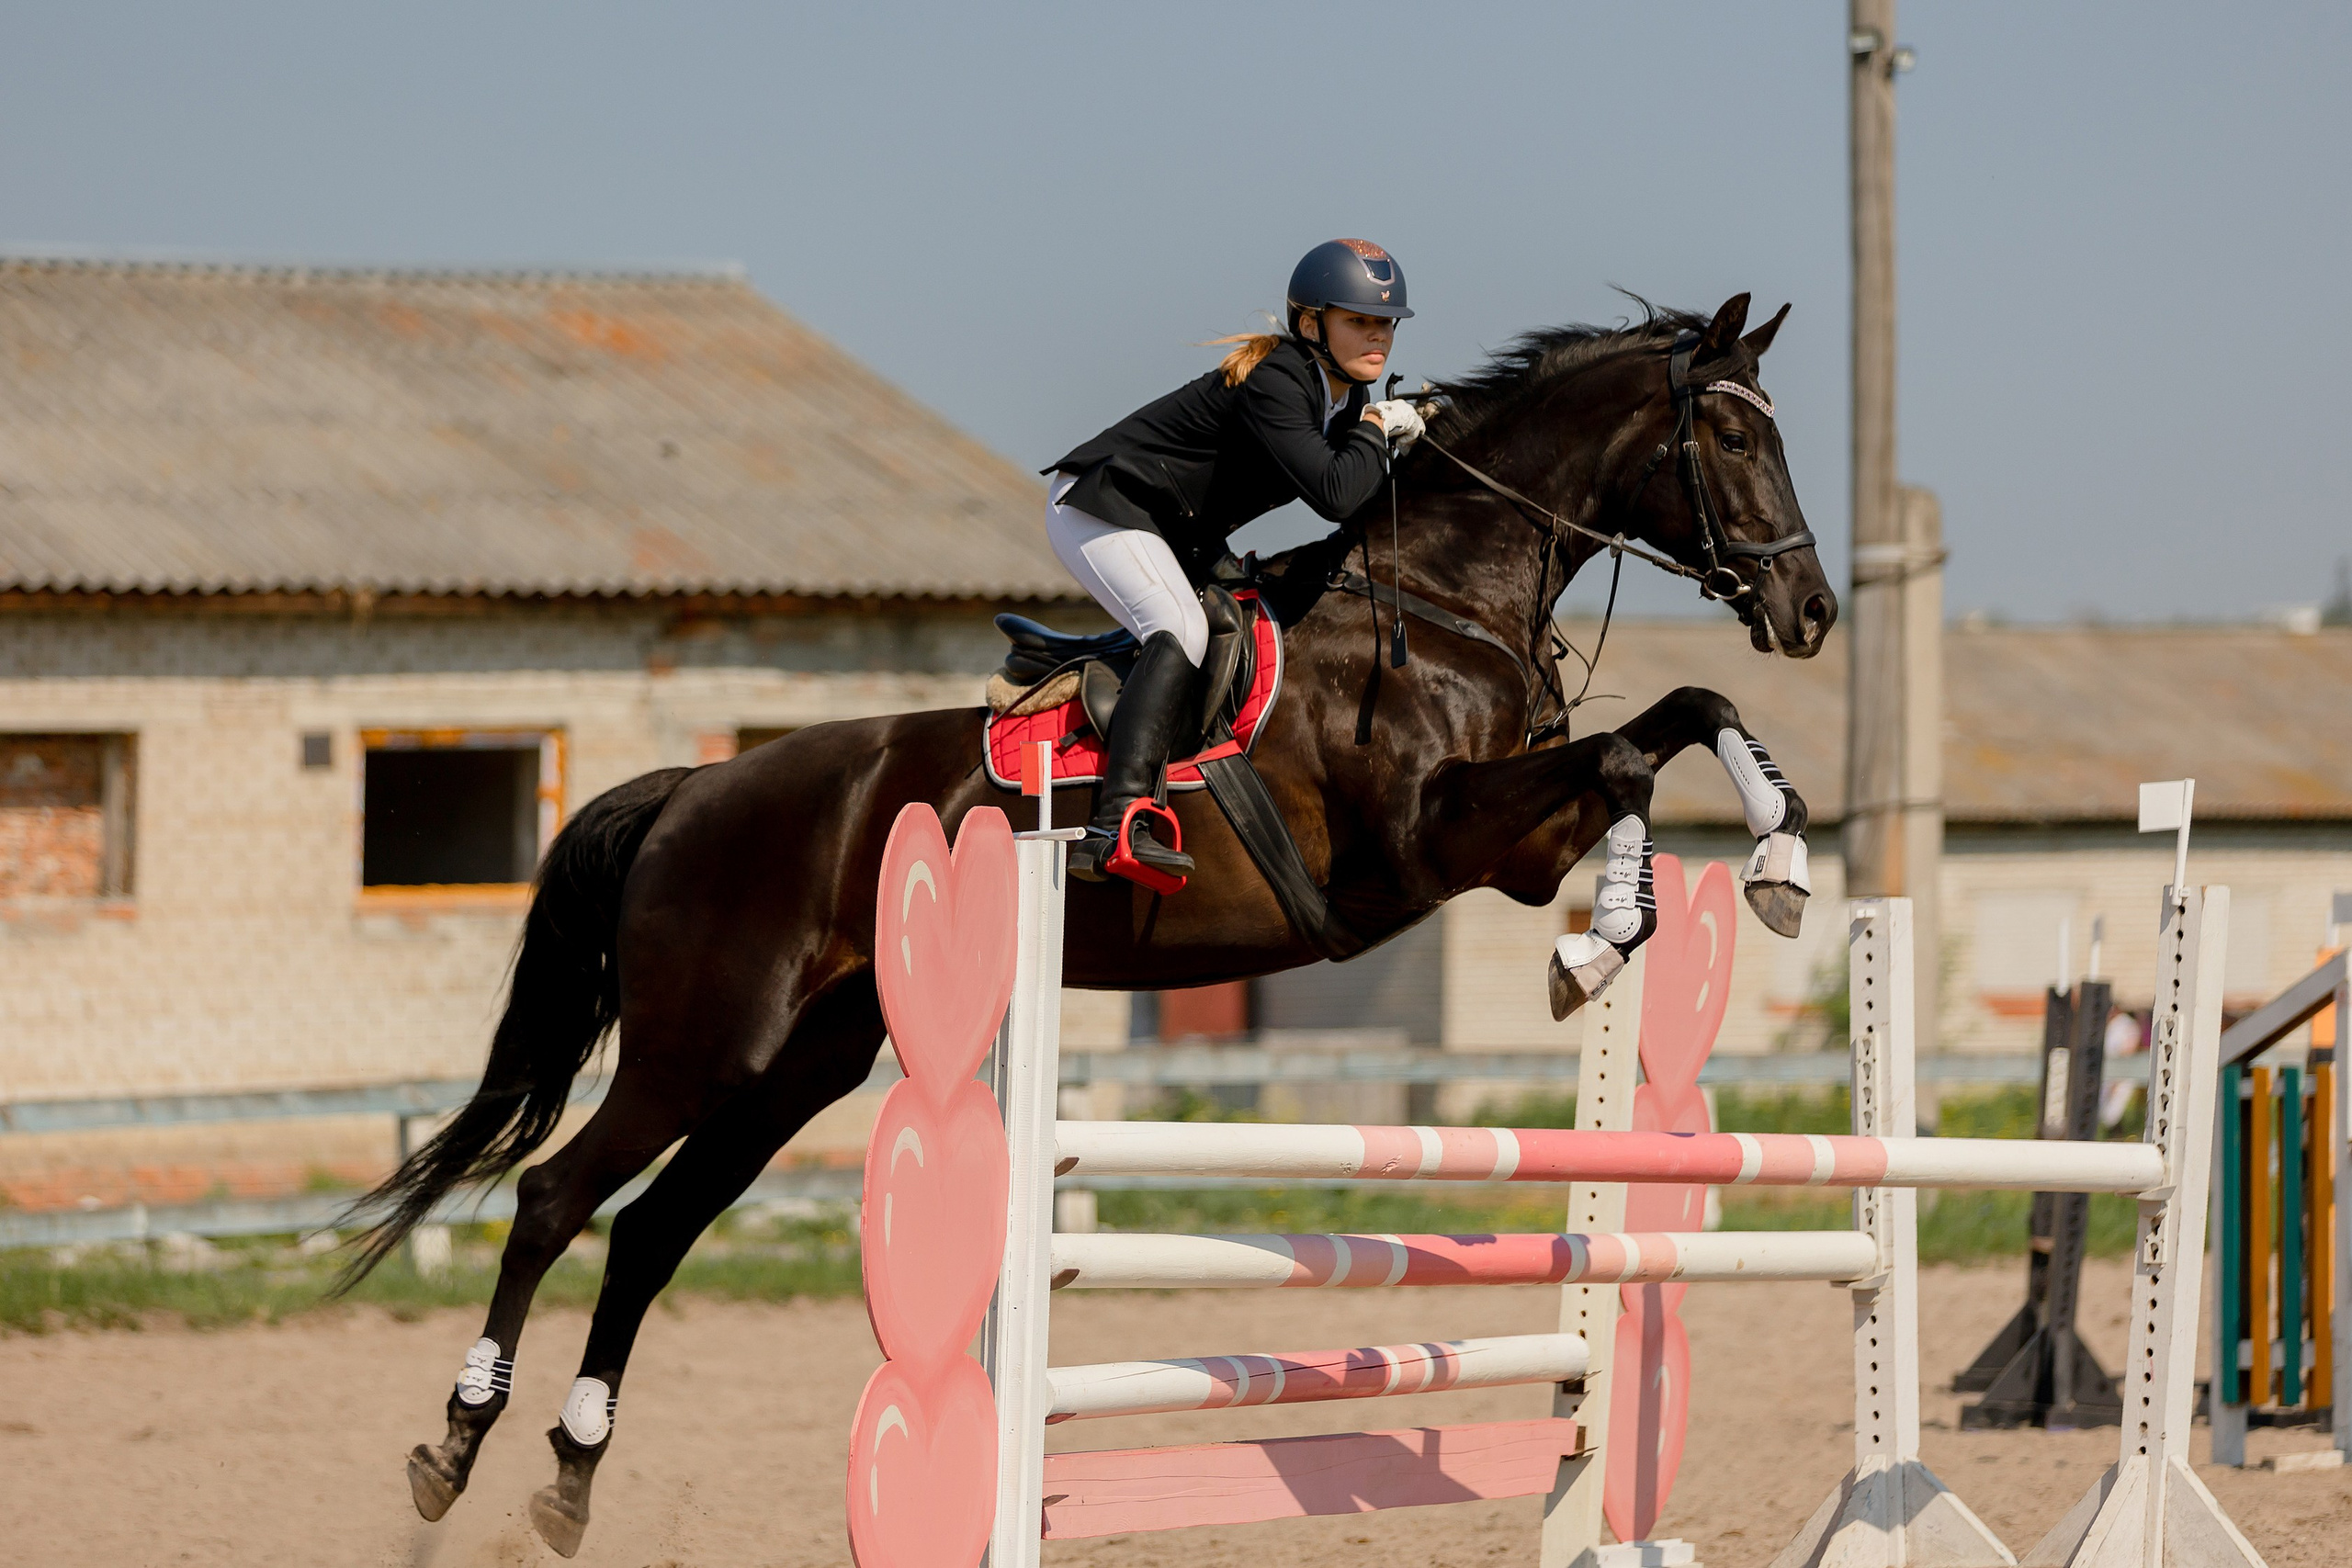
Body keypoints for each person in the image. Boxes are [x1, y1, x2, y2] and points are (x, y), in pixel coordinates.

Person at [1044, 238, 1429, 886]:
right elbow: (1336, 495)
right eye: (1358, 320)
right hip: (1101, 506)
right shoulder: (1281, 378)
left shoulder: (1345, 401)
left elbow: (1359, 501)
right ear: (1311, 325)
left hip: (1178, 531)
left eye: (1385, 322)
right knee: (1183, 630)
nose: (1378, 336)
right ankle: (1114, 825)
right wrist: (1374, 433)